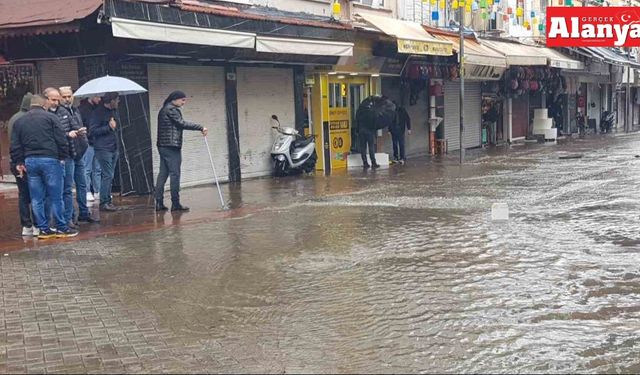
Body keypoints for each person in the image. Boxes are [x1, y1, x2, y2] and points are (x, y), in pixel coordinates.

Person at [10, 95, 78, 239]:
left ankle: (42, 229)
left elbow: (15, 145)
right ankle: (61, 227)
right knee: (56, 196)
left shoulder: (20, 121)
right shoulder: (51, 118)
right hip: (50, 159)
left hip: (30, 161)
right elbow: (61, 139)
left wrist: (19, 162)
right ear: (43, 104)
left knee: (36, 197)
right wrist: (62, 156)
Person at [154, 91, 208, 212]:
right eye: (182, 100)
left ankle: (158, 202)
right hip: (171, 146)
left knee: (163, 174)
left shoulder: (164, 109)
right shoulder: (172, 109)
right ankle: (175, 204)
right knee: (175, 174)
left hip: (163, 146)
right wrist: (200, 127)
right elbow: (181, 123)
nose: (184, 102)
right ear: (174, 99)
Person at [59, 87, 96, 224]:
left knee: (82, 184)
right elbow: (60, 133)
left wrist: (83, 137)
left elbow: (78, 126)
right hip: (68, 153)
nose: (67, 99)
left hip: (79, 151)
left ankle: (84, 213)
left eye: (69, 96)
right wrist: (70, 134)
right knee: (68, 187)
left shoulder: (75, 110)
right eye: (64, 96)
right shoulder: (59, 112)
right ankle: (69, 217)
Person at [45, 87, 81, 228]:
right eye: (53, 99)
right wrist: (67, 134)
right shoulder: (44, 114)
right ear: (46, 99)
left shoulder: (64, 112)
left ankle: (68, 219)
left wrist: (77, 131)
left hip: (67, 155)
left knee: (67, 188)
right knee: (53, 189)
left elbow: (74, 126)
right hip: (52, 157)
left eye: (57, 100)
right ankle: (53, 220)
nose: (56, 102)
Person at [7, 92, 37, 236]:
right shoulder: (25, 119)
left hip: (16, 161)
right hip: (24, 160)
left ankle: (26, 225)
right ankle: (35, 223)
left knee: (23, 195)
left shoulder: (14, 118)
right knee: (34, 193)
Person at [89, 92, 120, 212]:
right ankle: (104, 202)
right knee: (107, 174)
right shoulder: (97, 112)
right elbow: (92, 131)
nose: (118, 102)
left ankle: (108, 200)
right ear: (111, 101)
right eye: (117, 100)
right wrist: (109, 127)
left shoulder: (113, 112)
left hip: (113, 147)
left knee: (110, 175)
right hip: (103, 148)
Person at [79, 96, 102, 202]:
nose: (99, 99)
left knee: (97, 169)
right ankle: (88, 191)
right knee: (87, 168)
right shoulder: (83, 109)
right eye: (97, 97)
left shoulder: (97, 109)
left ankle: (97, 191)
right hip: (88, 142)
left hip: (97, 142)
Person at [356, 104, 379, 169]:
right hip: (369, 131)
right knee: (371, 147)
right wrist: (374, 130)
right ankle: (373, 163)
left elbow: (357, 122)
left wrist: (357, 131)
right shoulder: (371, 112)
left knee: (363, 148)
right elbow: (374, 122)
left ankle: (365, 163)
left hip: (361, 131)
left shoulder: (359, 112)